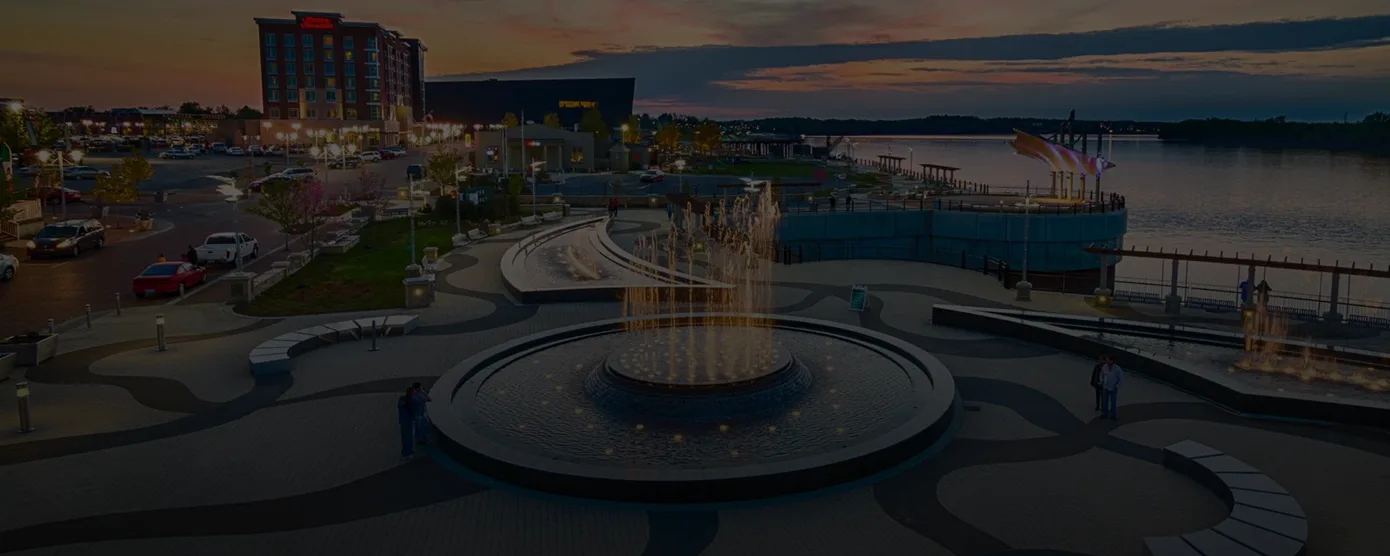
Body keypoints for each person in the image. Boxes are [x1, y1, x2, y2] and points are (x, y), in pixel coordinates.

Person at [1099, 356, 1123, 420]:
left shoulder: (1117, 369)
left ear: (1113, 361)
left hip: (1113, 388)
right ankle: (1104, 414)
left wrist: (1117, 386)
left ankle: (1113, 415)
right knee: (1104, 401)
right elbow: (1102, 375)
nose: (1108, 361)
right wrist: (1102, 382)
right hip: (1105, 387)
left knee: (1113, 402)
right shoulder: (1105, 367)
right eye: (1108, 360)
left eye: (1109, 360)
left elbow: (1121, 379)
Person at [397, 387, 416, 459]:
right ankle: (408, 453)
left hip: (402, 421)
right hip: (407, 421)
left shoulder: (402, 399)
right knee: (408, 437)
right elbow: (412, 413)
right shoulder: (410, 402)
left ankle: (404, 452)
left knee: (404, 437)